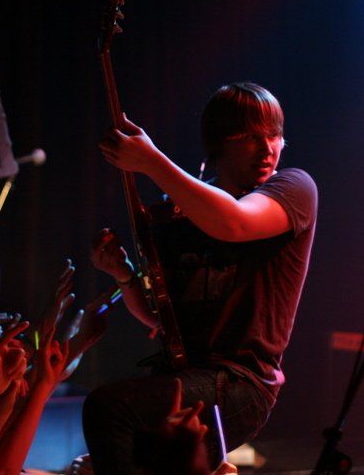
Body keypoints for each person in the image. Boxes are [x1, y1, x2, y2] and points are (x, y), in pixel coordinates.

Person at [85, 82, 317, 471]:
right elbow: (161, 319)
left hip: (239, 381)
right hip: (185, 374)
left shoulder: (294, 188)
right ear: (219, 143)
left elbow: (234, 222)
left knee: (109, 408)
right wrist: (123, 274)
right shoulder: (180, 212)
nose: (267, 148)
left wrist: (152, 162)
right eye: (249, 137)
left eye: (274, 135)